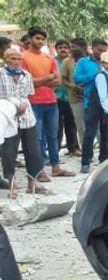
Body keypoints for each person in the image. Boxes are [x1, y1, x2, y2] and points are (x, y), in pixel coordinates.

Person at [21, 27, 74, 177]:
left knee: (53, 135)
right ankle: (40, 170)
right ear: (30, 39)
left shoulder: (48, 57)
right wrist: (47, 78)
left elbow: (57, 81)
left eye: (42, 39)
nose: (40, 41)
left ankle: (56, 167)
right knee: (37, 137)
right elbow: (26, 82)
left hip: (51, 101)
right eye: (37, 38)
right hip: (33, 102)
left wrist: (40, 81)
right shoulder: (23, 57)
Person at [0, 48, 49, 197]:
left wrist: (22, 107)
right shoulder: (0, 74)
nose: (15, 62)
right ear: (5, 59)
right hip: (8, 118)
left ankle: (32, 183)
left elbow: (28, 95)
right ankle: (12, 185)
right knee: (9, 153)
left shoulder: (26, 75)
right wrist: (14, 107)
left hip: (27, 118)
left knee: (33, 151)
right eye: (12, 59)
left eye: (18, 59)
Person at [73, 38, 108, 173]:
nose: (102, 53)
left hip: (106, 103)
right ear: (92, 48)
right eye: (99, 50)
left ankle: (104, 160)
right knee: (90, 133)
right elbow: (77, 79)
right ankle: (86, 162)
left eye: (104, 51)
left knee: (106, 133)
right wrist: (96, 74)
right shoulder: (83, 62)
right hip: (90, 102)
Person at [54, 39, 80, 157]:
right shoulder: (52, 62)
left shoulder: (73, 61)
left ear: (69, 49)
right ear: (56, 49)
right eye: (60, 47)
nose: (63, 49)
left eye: (65, 47)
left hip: (71, 96)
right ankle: (55, 150)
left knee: (71, 123)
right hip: (56, 97)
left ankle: (73, 147)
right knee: (57, 124)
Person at [61, 38, 86, 151]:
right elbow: (64, 79)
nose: (71, 49)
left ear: (82, 48)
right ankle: (86, 150)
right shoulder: (67, 61)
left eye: (73, 46)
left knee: (96, 126)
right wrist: (73, 86)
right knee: (80, 126)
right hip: (75, 98)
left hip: (91, 98)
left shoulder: (89, 60)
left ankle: (102, 150)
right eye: (70, 46)